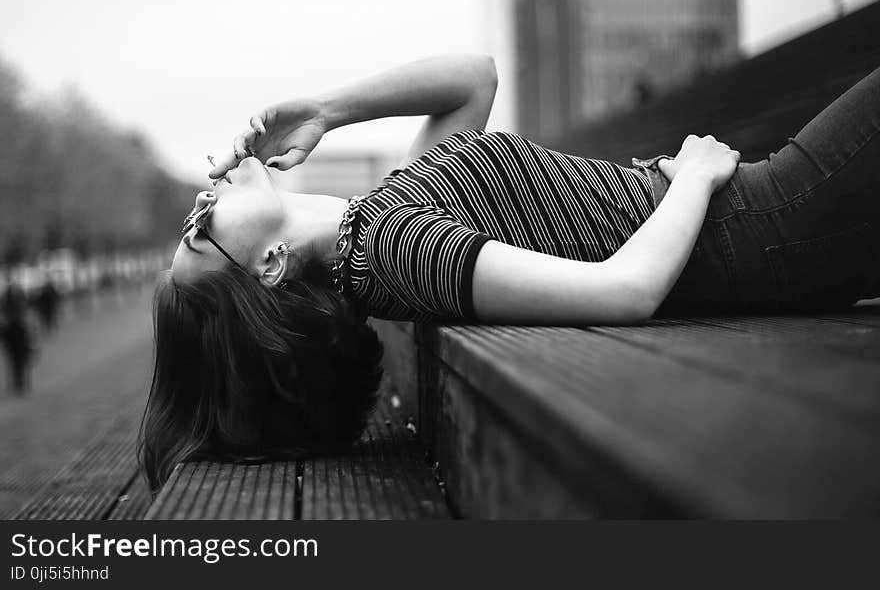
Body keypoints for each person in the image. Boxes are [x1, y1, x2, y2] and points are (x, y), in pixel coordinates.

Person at [140, 54, 880, 492]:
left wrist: (326, 111)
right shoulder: (395, 249)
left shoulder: (382, 216)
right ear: (267, 266)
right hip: (773, 220)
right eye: (200, 233)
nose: (202, 200)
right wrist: (695, 175)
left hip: (767, 218)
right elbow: (626, 292)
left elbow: (473, 78)